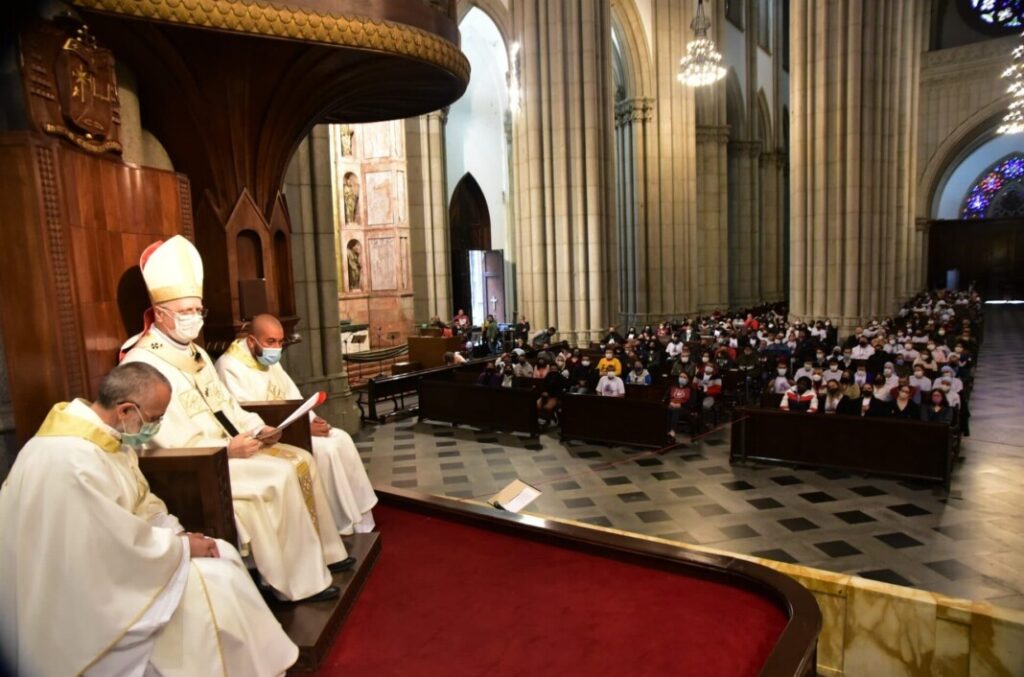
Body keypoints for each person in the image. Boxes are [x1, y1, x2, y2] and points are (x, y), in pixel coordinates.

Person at [0, 363, 298, 676]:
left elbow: (140, 503)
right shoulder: (72, 461)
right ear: (126, 409)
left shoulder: (108, 438)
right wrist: (180, 549)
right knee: (213, 584)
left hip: (113, 565)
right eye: (155, 418)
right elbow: (109, 545)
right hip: (73, 596)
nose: (156, 426)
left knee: (222, 554)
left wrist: (178, 534)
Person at [121, 236, 349, 602]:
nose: (193, 318)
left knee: (301, 459)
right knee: (276, 477)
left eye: (198, 310)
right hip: (200, 466)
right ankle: (287, 583)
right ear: (159, 312)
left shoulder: (193, 353)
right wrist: (226, 449)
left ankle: (320, 558)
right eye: (185, 311)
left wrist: (257, 428)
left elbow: (226, 406)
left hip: (231, 449)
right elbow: (161, 439)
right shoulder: (142, 363)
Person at [216, 314, 378, 534]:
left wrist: (311, 419)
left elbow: (291, 395)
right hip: (270, 436)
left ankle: (361, 516)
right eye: (270, 342)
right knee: (327, 450)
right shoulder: (229, 367)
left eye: (280, 341)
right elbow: (243, 414)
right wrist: (302, 428)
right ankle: (339, 523)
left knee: (341, 437)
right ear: (252, 341)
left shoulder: (266, 359)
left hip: (292, 425)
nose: (277, 348)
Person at [667, 374, 694, 438]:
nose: (682, 378)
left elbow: (692, 402)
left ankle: (672, 430)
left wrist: (680, 405)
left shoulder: (691, 389)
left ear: (688, 380)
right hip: (671, 405)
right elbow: (666, 397)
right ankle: (666, 430)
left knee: (675, 410)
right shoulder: (673, 387)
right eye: (681, 377)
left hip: (684, 408)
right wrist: (670, 403)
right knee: (667, 409)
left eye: (684, 377)